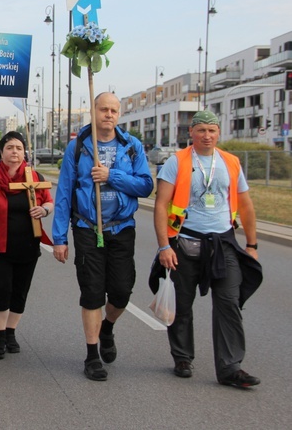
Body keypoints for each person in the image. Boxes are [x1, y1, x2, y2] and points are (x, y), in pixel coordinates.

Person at [153, 110, 262, 388]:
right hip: (185, 242)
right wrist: (164, 245)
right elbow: (161, 205)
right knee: (183, 304)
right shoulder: (177, 162)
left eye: (212, 130)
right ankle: (182, 357)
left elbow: (246, 205)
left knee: (229, 304)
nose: (207, 135)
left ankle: (230, 367)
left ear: (218, 133)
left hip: (223, 243)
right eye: (201, 130)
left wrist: (251, 244)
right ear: (191, 132)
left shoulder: (231, 162)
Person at [52, 92, 153, 382]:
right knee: (92, 292)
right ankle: (92, 353)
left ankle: (107, 327)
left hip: (121, 228)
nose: (108, 114)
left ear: (118, 115)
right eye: (103, 109)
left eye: (113, 110)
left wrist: (112, 176)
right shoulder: (78, 147)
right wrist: (59, 238)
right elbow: (64, 195)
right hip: (87, 228)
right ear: (94, 111)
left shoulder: (131, 146)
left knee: (121, 291)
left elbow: (146, 185)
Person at [0, 131, 54, 360]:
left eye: (19, 148)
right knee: (1, 289)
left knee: (20, 291)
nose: (15, 152)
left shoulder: (34, 177)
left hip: (28, 244)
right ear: (1, 152)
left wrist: (44, 210)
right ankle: (0, 336)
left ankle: (11, 332)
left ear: (24, 152)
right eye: (10, 147)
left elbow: (49, 201)